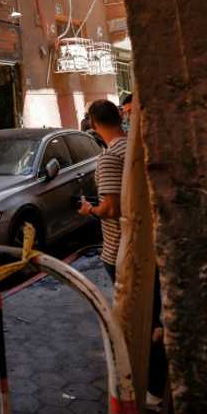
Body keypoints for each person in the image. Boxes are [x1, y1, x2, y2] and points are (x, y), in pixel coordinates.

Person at [79, 99, 127, 281]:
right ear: (120, 118)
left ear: (92, 124)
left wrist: (89, 209)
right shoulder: (134, 147)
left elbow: (111, 209)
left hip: (119, 250)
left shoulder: (110, 157)